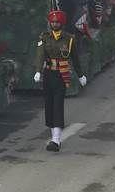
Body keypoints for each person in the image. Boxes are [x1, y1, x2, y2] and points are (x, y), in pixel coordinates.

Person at [33, 9, 86, 152]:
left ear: (61, 23)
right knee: (49, 105)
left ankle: (56, 140)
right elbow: (40, 55)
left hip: (61, 75)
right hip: (48, 74)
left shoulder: (69, 39)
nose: (55, 24)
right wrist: (38, 70)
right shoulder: (44, 37)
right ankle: (53, 137)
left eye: (57, 22)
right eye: (53, 22)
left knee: (58, 105)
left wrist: (80, 75)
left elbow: (75, 58)